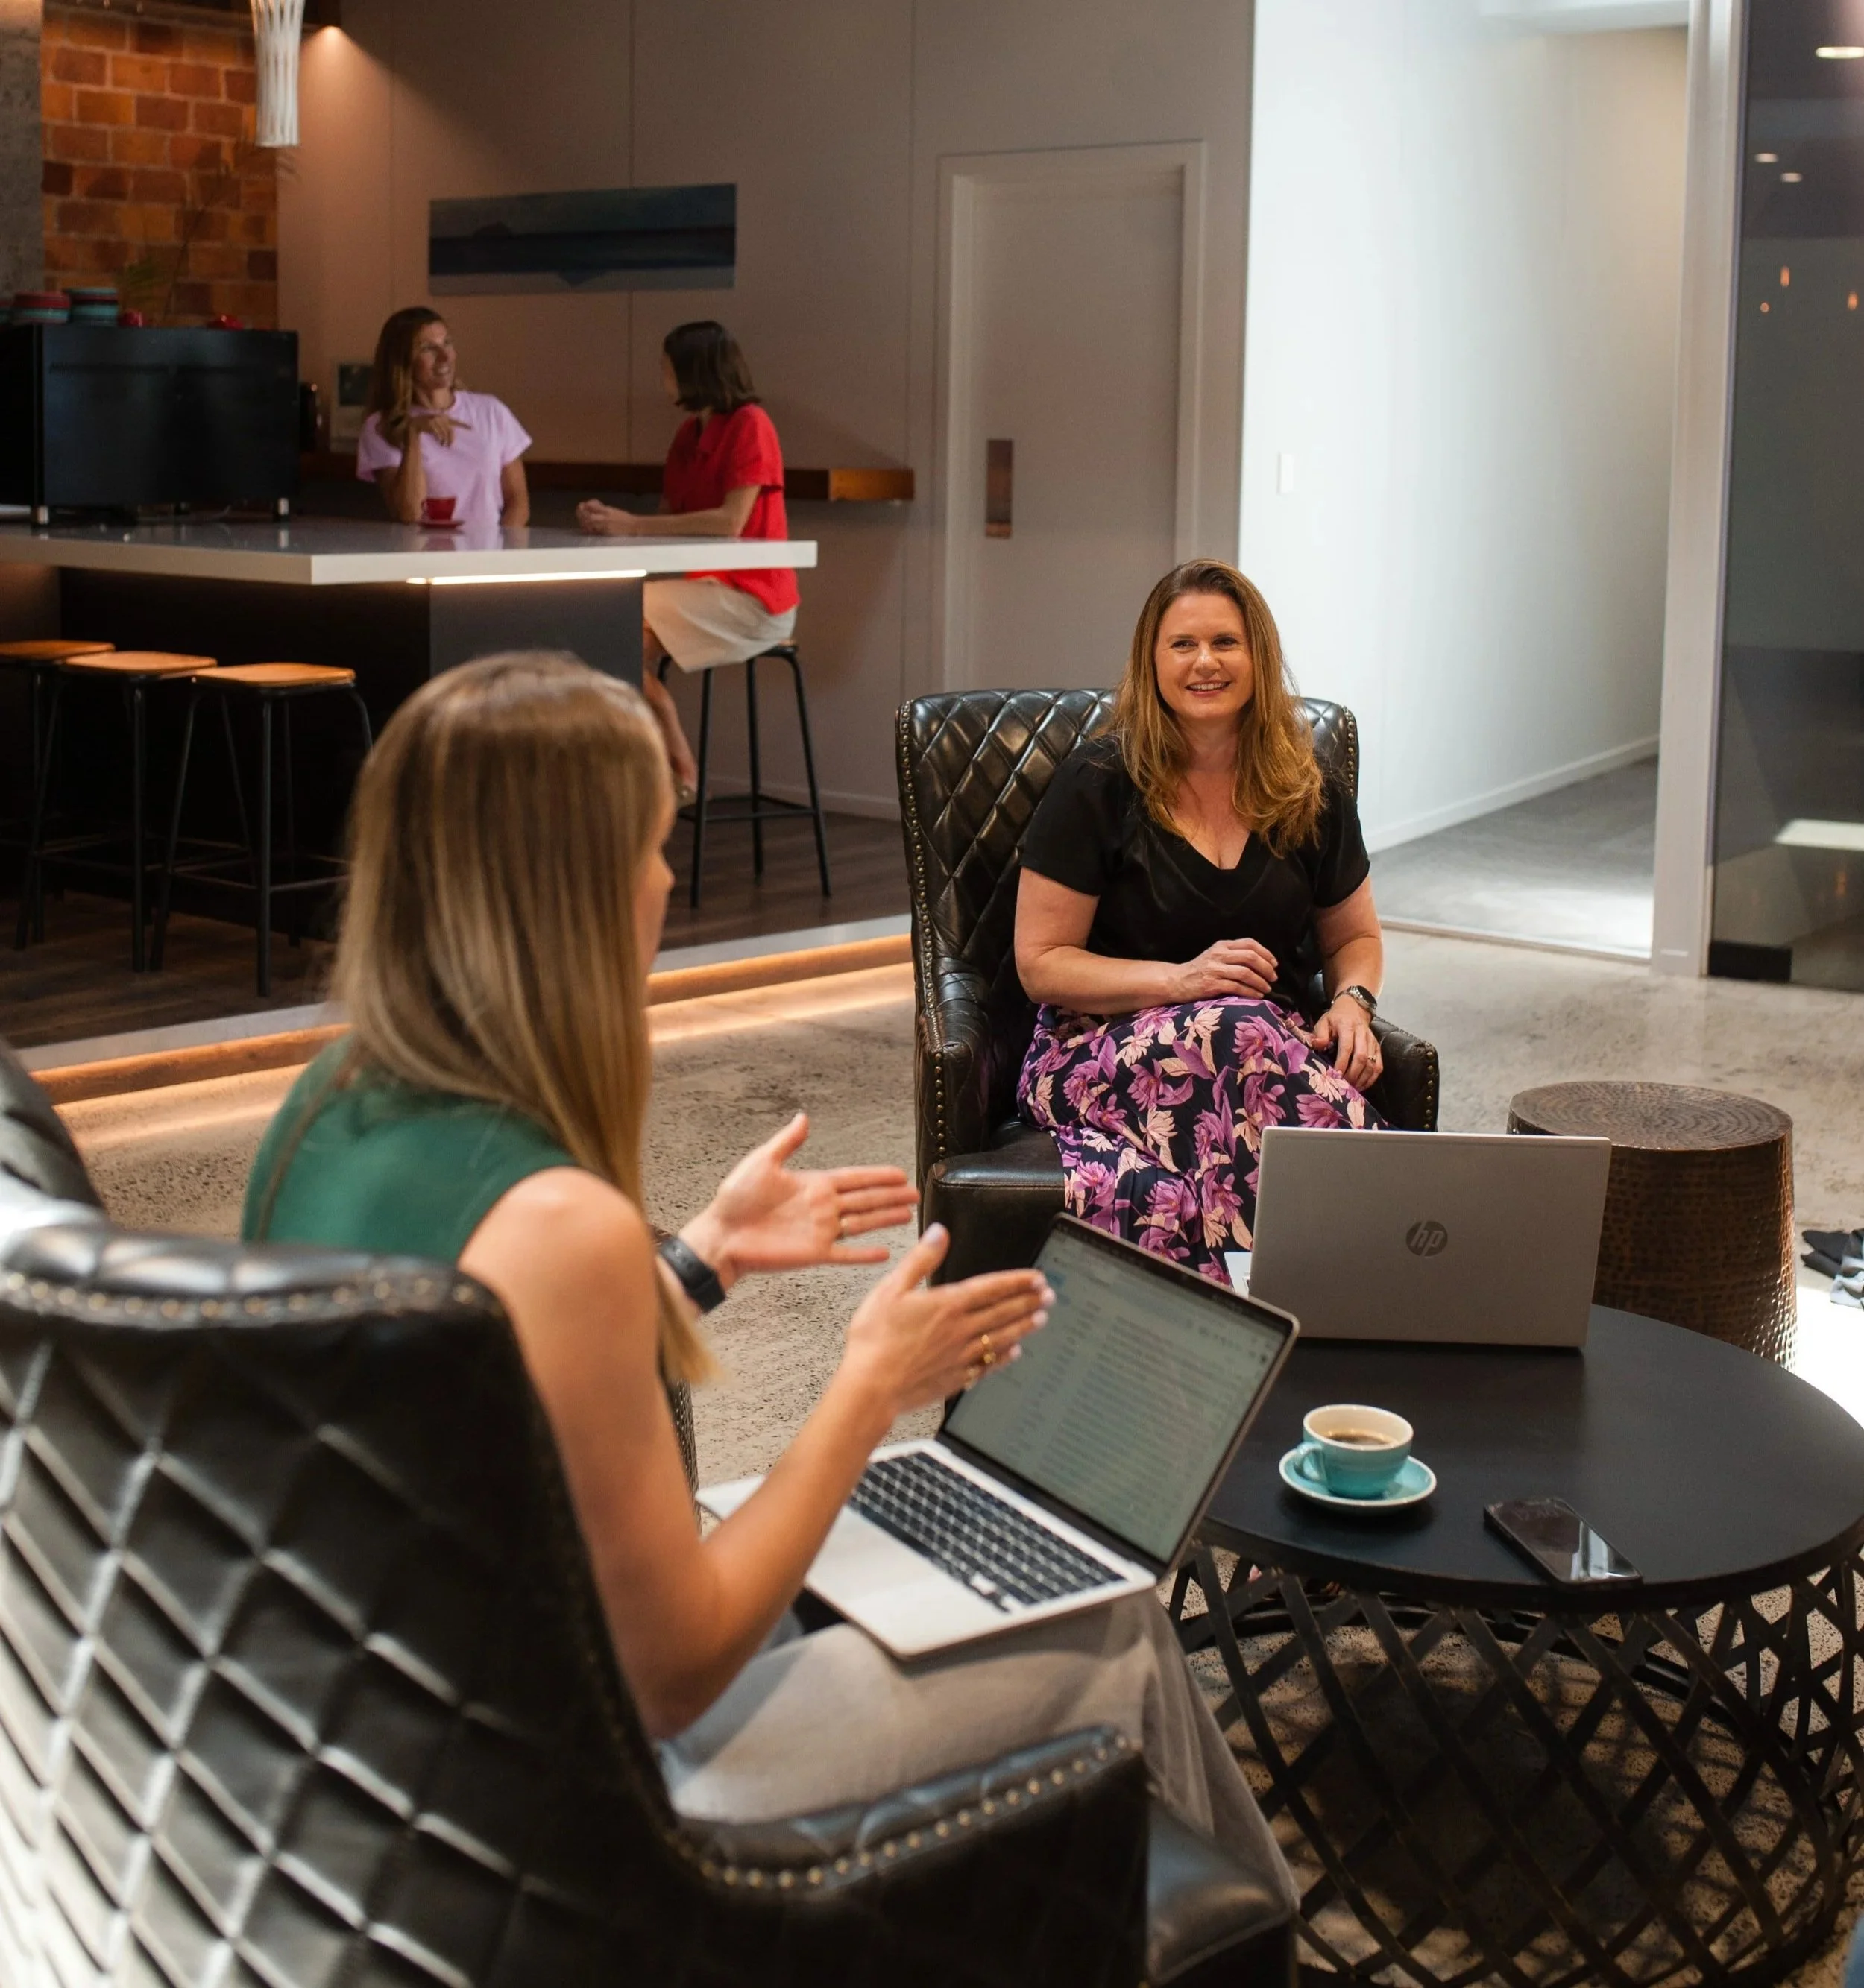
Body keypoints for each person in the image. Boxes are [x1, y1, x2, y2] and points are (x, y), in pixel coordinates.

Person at [239, 651, 1290, 1875]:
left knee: (988, 1588)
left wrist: (699, 1257)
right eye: (648, 844)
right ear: (568, 894)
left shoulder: (328, 1100)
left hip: (380, 1750)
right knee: (1112, 1629)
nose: (666, 876)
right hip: (573, 1816)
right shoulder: (558, 1221)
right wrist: (863, 1392)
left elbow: (478, 1378)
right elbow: (677, 1668)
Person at [1015, 558, 1385, 1284]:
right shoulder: (1097, 784)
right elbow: (1041, 962)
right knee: (1233, 1029)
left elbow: (1356, 937)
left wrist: (1353, 1003)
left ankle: (1303, 1308)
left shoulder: (1309, 790)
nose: (1205, 661)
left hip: (1259, 1049)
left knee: (1244, 1040)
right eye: (1182, 644)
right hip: (1095, 1044)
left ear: (1258, 657)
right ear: (1152, 661)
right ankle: (1270, 1312)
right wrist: (1181, 982)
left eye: (1226, 642)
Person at [577, 321, 799, 792]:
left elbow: (728, 521)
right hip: (708, 588)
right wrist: (606, 522)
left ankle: (669, 752)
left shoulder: (751, 426)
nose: (662, 373)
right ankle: (650, 772)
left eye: (667, 364)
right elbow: (669, 518)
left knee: (613, 621)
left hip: (755, 599)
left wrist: (630, 525)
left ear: (693, 370)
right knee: (610, 628)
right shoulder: (688, 433)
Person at [357, 307, 532, 534]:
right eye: (429, 348)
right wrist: (413, 435)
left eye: (447, 343)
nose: (445, 356)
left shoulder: (491, 411)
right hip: (425, 562)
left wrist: (495, 554)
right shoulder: (381, 426)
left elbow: (518, 502)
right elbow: (409, 513)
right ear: (402, 359)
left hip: (488, 559)